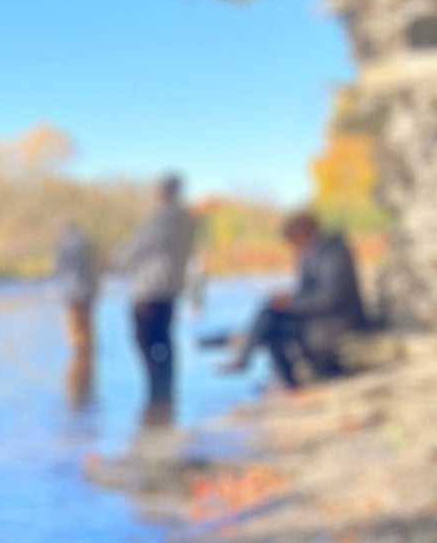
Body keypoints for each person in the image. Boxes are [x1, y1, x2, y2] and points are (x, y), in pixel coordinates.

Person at [220, 210, 366, 387]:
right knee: (271, 315)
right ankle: (283, 379)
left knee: (273, 321)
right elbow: (305, 292)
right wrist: (287, 300)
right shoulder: (308, 254)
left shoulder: (333, 252)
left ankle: (250, 361)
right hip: (318, 314)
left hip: (338, 318)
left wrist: (292, 303)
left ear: (303, 233)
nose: (294, 247)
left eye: (293, 240)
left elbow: (331, 298)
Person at [112, 174, 199, 408]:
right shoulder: (188, 219)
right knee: (164, 338)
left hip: (150, 287)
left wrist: (114, 259)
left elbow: (138, 248)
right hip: (171, 287)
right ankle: (165, 389)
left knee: (145, 338)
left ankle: (157, 390)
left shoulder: (161, 218)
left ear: (162, 191)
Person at [53, 222, 99, 355]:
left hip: (72, 291)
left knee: (75, 326)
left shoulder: (64, 247)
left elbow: (59, 270)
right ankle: (88, 354)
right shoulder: (87, 244)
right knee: (87, 325)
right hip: (88, 291)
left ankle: (80, 355)